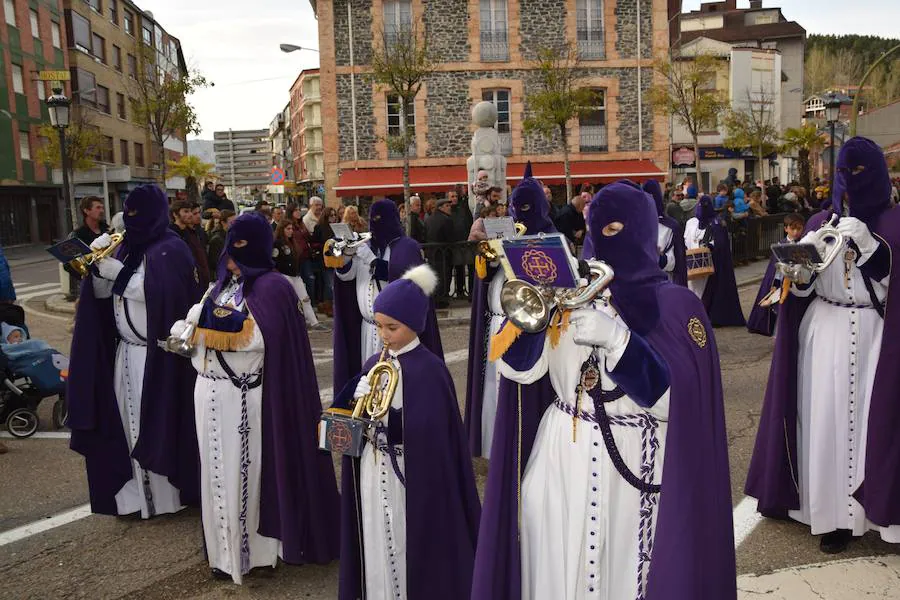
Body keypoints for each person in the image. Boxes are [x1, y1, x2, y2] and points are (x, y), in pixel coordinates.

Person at [472, 180, 736, 600]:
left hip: (634, 461)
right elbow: (518, 373)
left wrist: (621, 343)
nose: (601, 241)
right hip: (560, 458)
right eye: (595, 230)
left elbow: (681, 401)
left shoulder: (677, 305)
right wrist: (536, 315)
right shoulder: (570, 291)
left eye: (614, 230)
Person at [746, 137, 900, 554]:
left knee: (874, 424)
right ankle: (832, 516)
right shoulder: (818, 223)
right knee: (824, 422)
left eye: (860, 173)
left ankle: (880, 513)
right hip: (823, 332)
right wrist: (797, 276)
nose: (851, 183)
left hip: (874, 335)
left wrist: (871, 248)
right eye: (844, 174)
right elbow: (801, 292)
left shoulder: (895, 223)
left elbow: (891, 288)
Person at [172, 213, 340, 583]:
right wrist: (190, 330)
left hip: (243, 399)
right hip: (208, 393)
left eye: (240, 248)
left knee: (243, 474)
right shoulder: (218, 287)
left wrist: (208, 329)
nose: (231, 257)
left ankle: (254, 554)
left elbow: (260, 339)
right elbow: (191, 322)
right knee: (213, 476)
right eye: (229, 249)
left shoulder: (274, 288)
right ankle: (222, 553)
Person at [332, 264, 481, 600]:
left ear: (414, 325)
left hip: (407, 477)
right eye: (381, 326)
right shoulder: (374, 363)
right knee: (375, 534)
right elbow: (346, 417)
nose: (384, 334)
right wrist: (350, 399)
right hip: (373, 467)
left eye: (392, 327)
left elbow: (431, 433)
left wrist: (394, 421)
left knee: (401, 537)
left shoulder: (430, 370)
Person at [67, 184, 201, 518]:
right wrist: (99, 269)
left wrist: (119, 274)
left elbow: (164, 294)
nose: (132, 221)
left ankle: (164, 499)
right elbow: (104, 297)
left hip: (156, 356)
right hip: (126, 354)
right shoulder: (126, 248)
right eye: (128, 214)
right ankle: (133, 500)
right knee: (126, 428)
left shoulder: (171, 248)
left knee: (155, 426)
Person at [465, 163, 556, 459]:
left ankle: (515, 447)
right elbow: (487, 278)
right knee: (492, 388)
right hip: (496, 323)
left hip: (523, 326)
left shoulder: (551, 239)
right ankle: (494, 444)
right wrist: (491, 259)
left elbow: (550, 287)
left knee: (514, 391)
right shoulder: (507, 229)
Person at [332, 199, 443, 395]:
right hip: (367, 328)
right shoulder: (365, 244)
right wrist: (347, 256)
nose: (376, 225)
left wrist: (373, 261)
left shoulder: (406, 247)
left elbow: (402, 282)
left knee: (393, 382)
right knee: (367, 383)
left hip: (395, 330)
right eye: (372, 220)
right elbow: (346, 276)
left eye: (380, 220)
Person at [684, 195, 746, 327]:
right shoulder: (691, 223)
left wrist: (710, 247)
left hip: (710, 264)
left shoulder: (717, 223)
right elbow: (686, 239)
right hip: (692, 262)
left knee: (708, 290)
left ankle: (707, 315)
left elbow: (720, 243)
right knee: (693, 290)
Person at [746, 213, 804, 336]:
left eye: (799, 229)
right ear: (786, 228)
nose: (795, 232)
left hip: (798, 284)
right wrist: (776, 284)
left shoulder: (804, 244)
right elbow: (775, 268)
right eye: (792, 228)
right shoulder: (780, 244)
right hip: (782, 283)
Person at [273, 219, 321, 328]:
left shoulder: (292, 242)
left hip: (295, 275)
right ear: (282, 230)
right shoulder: (277, 243)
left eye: (292, 229)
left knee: (305, 298)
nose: (291, 231)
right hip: (284, 276)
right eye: (288, 229)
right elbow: (274, 261)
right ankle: (288, 323)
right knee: (288, 301)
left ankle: (314, 322)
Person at [643, 180, 687, 287]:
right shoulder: (633, 225)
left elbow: (675, 263)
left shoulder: (671, 227)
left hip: (663, 284)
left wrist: (659, 258)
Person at [171, 200, 211, 290]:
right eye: (185, 211)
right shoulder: (171, 235)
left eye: (190, 211)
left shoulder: (191, 233)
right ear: (175, 214)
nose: (190, 215)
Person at [425, 197, 456, 304]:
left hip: (432, 253)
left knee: (435, 276)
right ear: (440, 208)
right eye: (447, 206)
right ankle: (442, 299)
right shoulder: (446, 220)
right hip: (444, 253)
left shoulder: (428, 219)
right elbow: (451, 238)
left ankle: (436, 298)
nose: (449, 208)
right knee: (444, 276)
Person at [313, 206, 338, 317]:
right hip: (325, 259)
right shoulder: (319, 227)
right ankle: (328, 306)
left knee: (334, 284)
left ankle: (332, 305)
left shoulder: (337, 227)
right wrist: (326, 245)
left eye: (334, 215)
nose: (333, 217)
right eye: (331, 215)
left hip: (337, 259)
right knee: (329, 284)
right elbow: (314, 243)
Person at [449, 189, 474, 299]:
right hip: (455, 244)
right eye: (452, 196)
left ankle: (471, 292)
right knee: (459, 269)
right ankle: (459, 291)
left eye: (455, 196)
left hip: (466, 242)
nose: (454, 198)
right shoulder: (447, 210)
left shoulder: (463, 208)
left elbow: (469, 222)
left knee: (471, 266)